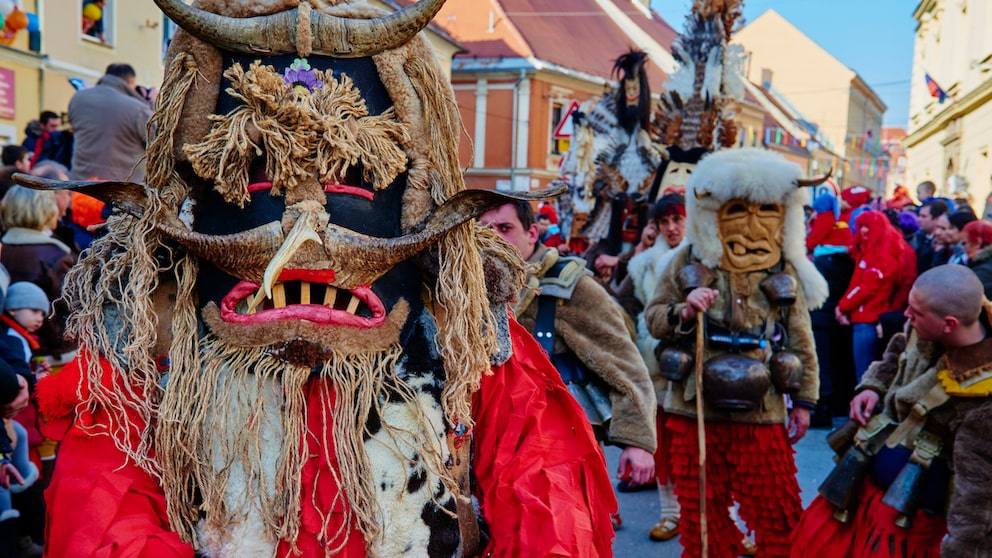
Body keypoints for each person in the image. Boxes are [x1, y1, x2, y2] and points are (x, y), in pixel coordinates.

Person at [41, 1, 618, 556]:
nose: (304, 228)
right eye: (253, 174)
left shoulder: (467, 340)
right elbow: (103, 526)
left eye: (351, 176)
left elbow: (552, 513)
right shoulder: (151, 346)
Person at [645, 148, 828, 558]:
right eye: (738, 209)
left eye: (765, 209)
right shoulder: (684, 261)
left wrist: (804, 400)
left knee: (777, 511)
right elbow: (654, 317)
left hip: (761, 405)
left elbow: (801, 337)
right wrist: (685, 310)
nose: (751, 223)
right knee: (702, 516)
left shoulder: (784, 268)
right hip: (693, 407)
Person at [790, 264, 992, 556]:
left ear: (949, 324)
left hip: (912, 526)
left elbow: (979, 497)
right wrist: (872, 385)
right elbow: (898, 348)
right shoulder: (925, 322)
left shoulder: (984, 399)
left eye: (915, 313)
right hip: (863, 491)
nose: (906, 316)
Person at [480, 200, 657, 526]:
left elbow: (625, 364)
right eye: (483, 229)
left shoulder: (572, 287)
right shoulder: (464, 288)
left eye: (504, 229)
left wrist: (637, 441)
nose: (492, 238)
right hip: (488, 451)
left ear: (532, 233)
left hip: (558, 453)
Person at [612, 193, 691, 542]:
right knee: (666, 446)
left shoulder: (705, 256)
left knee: (709, 447)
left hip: (697, 368)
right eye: (664, 222)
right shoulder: (644, 263)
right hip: (654, 364)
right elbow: (620, 303)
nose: (672, 228)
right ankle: (671, 514)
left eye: (678, 219)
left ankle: (727, 518)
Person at [67, 63, 152, 182]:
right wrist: (152, 105)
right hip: (121, 191)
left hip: (82, 186)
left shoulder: (78, 99)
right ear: (130, 82)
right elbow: (158, 141)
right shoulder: (137, 109)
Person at [911, 199, 949, 274]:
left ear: (936, 218)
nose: (919, 219)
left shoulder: (944, 245)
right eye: (919, 215)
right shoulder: (920, 237)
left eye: (923, 216)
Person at [963, 219, 992, 298]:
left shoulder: (984, 271)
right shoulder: (983, 264)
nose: (963, 247)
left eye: (965, 243)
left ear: (977, 243)